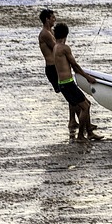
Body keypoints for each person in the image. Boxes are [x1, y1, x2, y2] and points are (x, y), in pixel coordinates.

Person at [52, 22, 101, 141]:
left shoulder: (55, 47)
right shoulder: (64, 48)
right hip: (67, 84)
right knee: (86, 107)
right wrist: (88, 77)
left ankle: (89, 133)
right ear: (66, 34)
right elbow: (75, 66)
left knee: (86, 104)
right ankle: (80, 136)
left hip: (64, 83)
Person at [38, 8, 77, 138]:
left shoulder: (50, 32)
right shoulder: (45, 34)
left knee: (70, 93)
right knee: (69, 93)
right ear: (47, 19)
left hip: (57, 67)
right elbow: (57, 48)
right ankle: (74, 121)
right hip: (52, 68)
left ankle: (73, 120)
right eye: (52, 17)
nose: (54, 19)